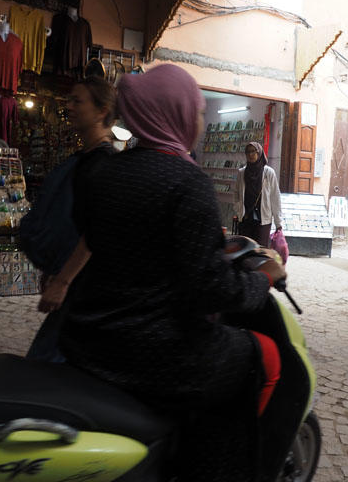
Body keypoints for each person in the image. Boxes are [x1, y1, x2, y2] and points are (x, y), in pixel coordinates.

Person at [55, 64, 286, 481]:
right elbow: (208, 288)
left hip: (88, 337)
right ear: (174, 115)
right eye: (196, 112)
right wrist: (261, 280)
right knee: (261, 356)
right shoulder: (187, 182)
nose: (198, 121)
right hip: (154, 351)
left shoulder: (105, 171)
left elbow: (111, 239)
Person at [27, 76, 117, 360]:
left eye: (78, 101)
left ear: (102, 111)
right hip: (76, 284)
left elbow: (97, 230)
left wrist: (63, 281)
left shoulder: (104, 166)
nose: (69, 107)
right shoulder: (87, 159)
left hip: (86, 288)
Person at [235, 141, 283, 248]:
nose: (250, 154)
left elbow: (275, 197)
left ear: (259, 152)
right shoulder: (241, 172)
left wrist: (278, 223)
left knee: (261, 250)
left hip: (263, 220)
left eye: (253, 151)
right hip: (245, 218)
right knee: (245, 249)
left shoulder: (268, 173)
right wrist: (238, 209)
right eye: (248, 152)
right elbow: (236, 193)